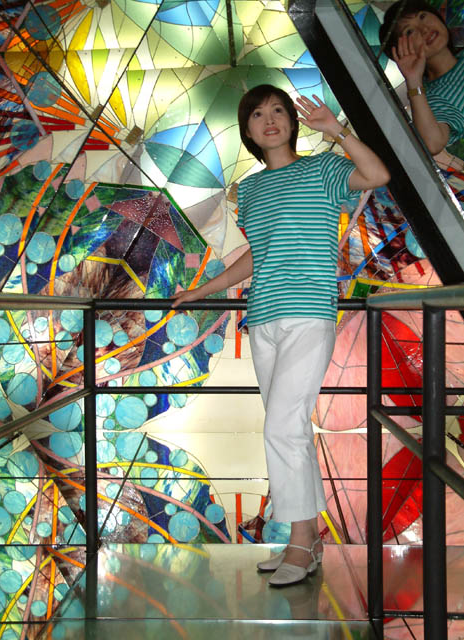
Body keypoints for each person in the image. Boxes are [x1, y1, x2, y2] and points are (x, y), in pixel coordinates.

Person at [171, 84, 390, 587]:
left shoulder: (324, 168)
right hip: (264, 315)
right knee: (291, 430)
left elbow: (377, 175)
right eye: (257, 114)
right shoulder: (248, 190)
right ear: (247, 131)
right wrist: (205, 288)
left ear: (292, 120)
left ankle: (299, 539)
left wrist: (336, 131)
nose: (269, 119)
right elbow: (258, 253)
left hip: (310, 311)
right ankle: (308, 541)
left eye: (277, 110)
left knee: (282, 427)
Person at [379, 0, 464, 165]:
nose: (424, 29)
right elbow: (433, 144)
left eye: (422, 16)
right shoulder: (434, 96)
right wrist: (413, 80)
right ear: (400, 50)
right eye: (410, 31)